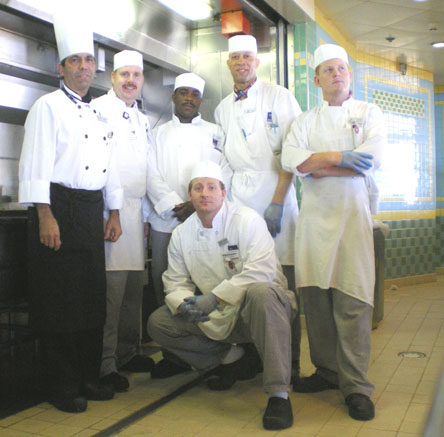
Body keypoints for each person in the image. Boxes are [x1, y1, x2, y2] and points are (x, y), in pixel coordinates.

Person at [18, 11, 123, 413]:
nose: (84, 67)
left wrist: (113, 212)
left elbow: (107, 166)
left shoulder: (99, 113)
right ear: (61, 67)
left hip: (90, 207)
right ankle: (60, 386)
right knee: (58, 299)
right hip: (57, 206)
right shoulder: (47, 107)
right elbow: (35, 164)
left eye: (89, 61)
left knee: (89, 298)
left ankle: (86, 377)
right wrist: (45, 215)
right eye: (75, 60)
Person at [148, 161, 296, 431]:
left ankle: (278, 395)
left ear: (223, 193)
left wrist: (214, 298)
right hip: (216, 313)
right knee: (159, 322)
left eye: (211, 187)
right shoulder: (182, 234)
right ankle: (232, 359)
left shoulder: (246, 220)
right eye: (198, 188)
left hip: (260, 309)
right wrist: (184, 303)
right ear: (190, 195)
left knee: (261, 293)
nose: (205, 193)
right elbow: (174, 279)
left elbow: (261, 271)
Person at [281, 43, 386, 421]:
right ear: (316, 79)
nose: (336, 74)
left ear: (350, 75)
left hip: (352, 219)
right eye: (328, 69)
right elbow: (292, 160)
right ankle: (326, 371)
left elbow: (371, 160)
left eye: (341, 68)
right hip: (313, 222)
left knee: (353, 300)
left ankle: (356, 386)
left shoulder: (368, 112)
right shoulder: (305, 120)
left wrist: (320, 163)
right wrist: (341, 158)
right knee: (317, 302)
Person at [214, 34, 302, 380]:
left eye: (247, 57)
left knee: (281, 286)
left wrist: (278, 202)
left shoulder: (279, 96)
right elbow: (222, 161)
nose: (241, 63)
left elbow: (293, 152)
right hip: (239, 203)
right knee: (243, 280)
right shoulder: (222, 108)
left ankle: (290, 363)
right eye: (235, 58)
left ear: (256, 62)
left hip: (276, 199)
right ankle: (252, 357)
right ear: (228, 64)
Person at [146, 72, 232, 378]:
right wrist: (174, 204)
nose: (188, 99)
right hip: (166, 221)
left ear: (200, 100)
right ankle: (174, 355)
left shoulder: (216, 132)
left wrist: (196, 205)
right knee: (165, 285)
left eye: (194, 94)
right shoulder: (157, 134)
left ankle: (212, 350)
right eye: (183, 93)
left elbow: (224, 172)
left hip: (206, 221)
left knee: (206, 283)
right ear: (174, 98)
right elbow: (150, 173)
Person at [91, 50, 154, 393]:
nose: (130, 81)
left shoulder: (141, 118)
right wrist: (113, 211)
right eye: (124, 74)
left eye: (136, 75)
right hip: (108, 213)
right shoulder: (100, 109)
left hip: (135, 213)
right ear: (112, 78)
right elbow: (103, 165)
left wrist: (144, 216)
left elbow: (142, 170)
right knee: (111, 295)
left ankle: (129, 352)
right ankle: (105, 363)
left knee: (133, 291)